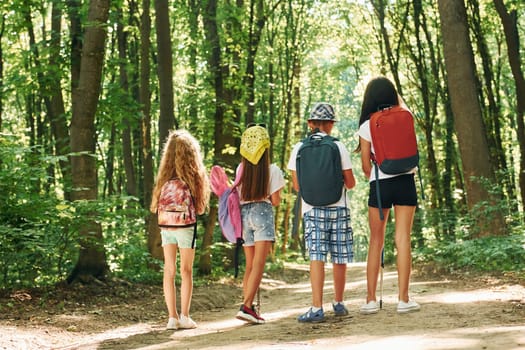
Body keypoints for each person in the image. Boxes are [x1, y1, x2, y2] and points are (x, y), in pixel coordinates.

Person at [356, 76, 420, 314]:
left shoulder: (367, 125)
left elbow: (364, 165)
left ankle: (371, 300)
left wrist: (373, 173)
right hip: (406, 181)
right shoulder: (407, 115)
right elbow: (403, 109)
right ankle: (404, 300)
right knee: (403, 238)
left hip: (380, 184)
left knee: (376, 241)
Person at [287, 103, 356, 323]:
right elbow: (351, 183)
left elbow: (297, 186)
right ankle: (338, 302)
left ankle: (316, 307)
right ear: (330, 125)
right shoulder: (338, 146)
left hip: (312, 208)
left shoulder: (299, 148)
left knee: (317, 255)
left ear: (310, 124)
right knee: (339, 255)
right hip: (339, 207)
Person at [150, 129, 211, 330]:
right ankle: (185, 316)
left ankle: (172, 318)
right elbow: (200, 208)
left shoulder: (164, 176)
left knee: (169, 270)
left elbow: (155, 205)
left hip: (166, 225)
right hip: (185, 226)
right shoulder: (194, 175)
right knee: (186, 271)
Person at [235, 124, 286, 325]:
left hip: (244, 214)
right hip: (262, 214)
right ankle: (247, 306)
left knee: (250, 264)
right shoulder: (272, 170)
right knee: (259, 264)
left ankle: (247, 306)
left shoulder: (241, 169)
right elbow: (275, 200)